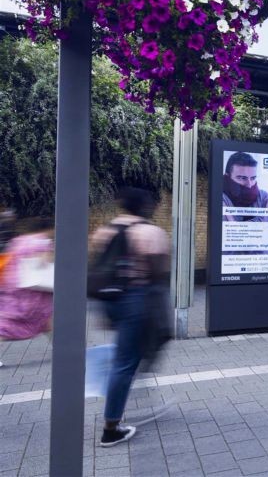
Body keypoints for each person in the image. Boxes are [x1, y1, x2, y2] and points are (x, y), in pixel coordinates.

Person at [90, 188, 170, 447]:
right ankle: (111, 428)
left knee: (126, 357)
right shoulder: (150, 233)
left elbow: (96, 267)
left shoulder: (105, 231)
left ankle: (125, 393)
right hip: (137, 300)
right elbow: (158, 274)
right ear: (146, 207)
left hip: (110, 301)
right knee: (125, 364)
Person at [0, 217, 54, 368]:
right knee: (9, 326)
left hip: (15, 287)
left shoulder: (18, 240)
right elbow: (44, 263)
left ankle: (63, 348)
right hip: (34, 290)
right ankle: (64, 348)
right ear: (48, 228)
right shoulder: (43, 242)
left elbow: (10, 261)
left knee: (45, 321)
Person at [222, 151, 268, 221]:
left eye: (253, 178)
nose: (249, 185)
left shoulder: (263, 197)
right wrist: (261, 219)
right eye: (242, 178)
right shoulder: (220, 197)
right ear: (228, 177)